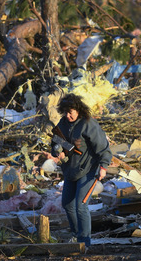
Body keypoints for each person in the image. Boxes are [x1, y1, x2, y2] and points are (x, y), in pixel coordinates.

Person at [44, 93, 112, 249]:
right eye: (66, 112)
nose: (69, 116)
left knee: (81, 205)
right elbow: (56, 143)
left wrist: (103, 166)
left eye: (71, 112)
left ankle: (85, 241)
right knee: (67, 204)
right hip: (70, 171)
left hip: (89, 170)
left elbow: (103, 148)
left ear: (78, 110)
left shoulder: (88, 124)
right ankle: (75, 235)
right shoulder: (63, 124)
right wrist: (57, 151)